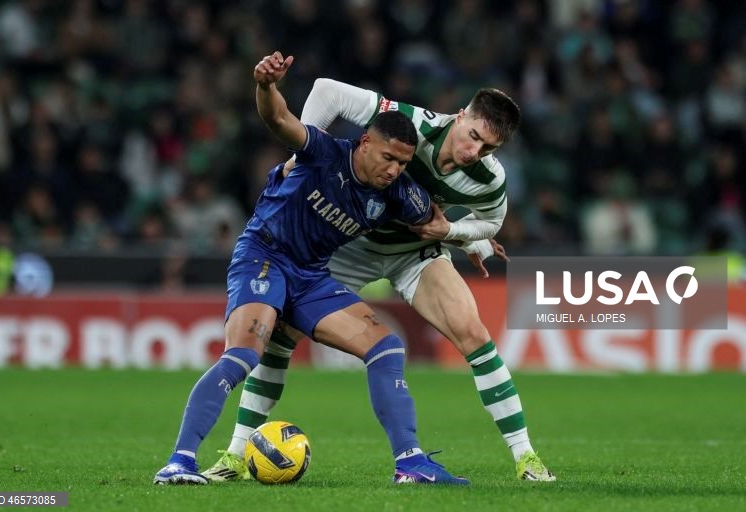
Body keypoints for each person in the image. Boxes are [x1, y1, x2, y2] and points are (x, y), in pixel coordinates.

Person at [204, 78, 556, 482]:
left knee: (474, 334)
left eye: (488, 148)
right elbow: (326, 91)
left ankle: (526, 458)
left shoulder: (489, 179)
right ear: (461, 116)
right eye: (473, 136)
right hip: (350, 247)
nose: (474, 151)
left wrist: (454, 235)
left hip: (413, 254)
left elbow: (493, 221)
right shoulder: (411, 123)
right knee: (280, 339)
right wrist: (301, 158)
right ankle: (234, 457)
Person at [154, 52, 469, 485]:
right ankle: (179, 462)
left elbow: (434, 222)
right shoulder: (324, 152)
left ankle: (411, 463)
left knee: (387, 348)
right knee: (244, 355)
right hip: (264, 256)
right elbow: (280, 120)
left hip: (311, 276)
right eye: (388, 158)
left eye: (402, 163)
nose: (393, 169)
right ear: (364, 143)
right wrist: (266, 87)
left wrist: (480, 239)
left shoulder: (399, 192)